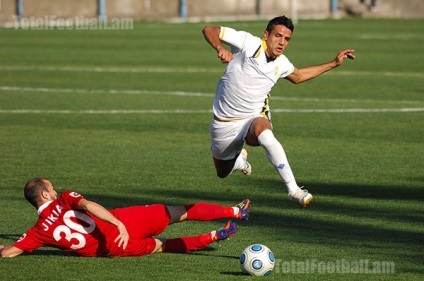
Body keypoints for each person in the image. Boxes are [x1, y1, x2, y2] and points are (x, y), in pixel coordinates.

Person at [202, 16, 355, 208]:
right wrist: (220, 48)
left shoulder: (281, 63)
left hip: (253, 117)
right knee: (222, 172)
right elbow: (210, 29)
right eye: (278, 36)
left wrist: (333, 63)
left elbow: (298, 76)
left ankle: (294, 190)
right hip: (224, 123)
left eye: (287, 39)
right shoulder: (248, 43)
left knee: (264, 133)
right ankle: (239, 161)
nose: (282, 42)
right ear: (266, 35)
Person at [0, 177, 250, 258]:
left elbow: (9, 252)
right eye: (51, 188)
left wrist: (3, 248)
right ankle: (236, 211)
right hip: (125, 221)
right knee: (180, 212)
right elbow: (91, 205)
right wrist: (117, 222)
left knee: (163, 246)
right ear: (45, 194)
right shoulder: (64, 198)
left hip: (115, 247)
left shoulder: (37, 232)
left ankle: (217, 234)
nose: (55, 189)